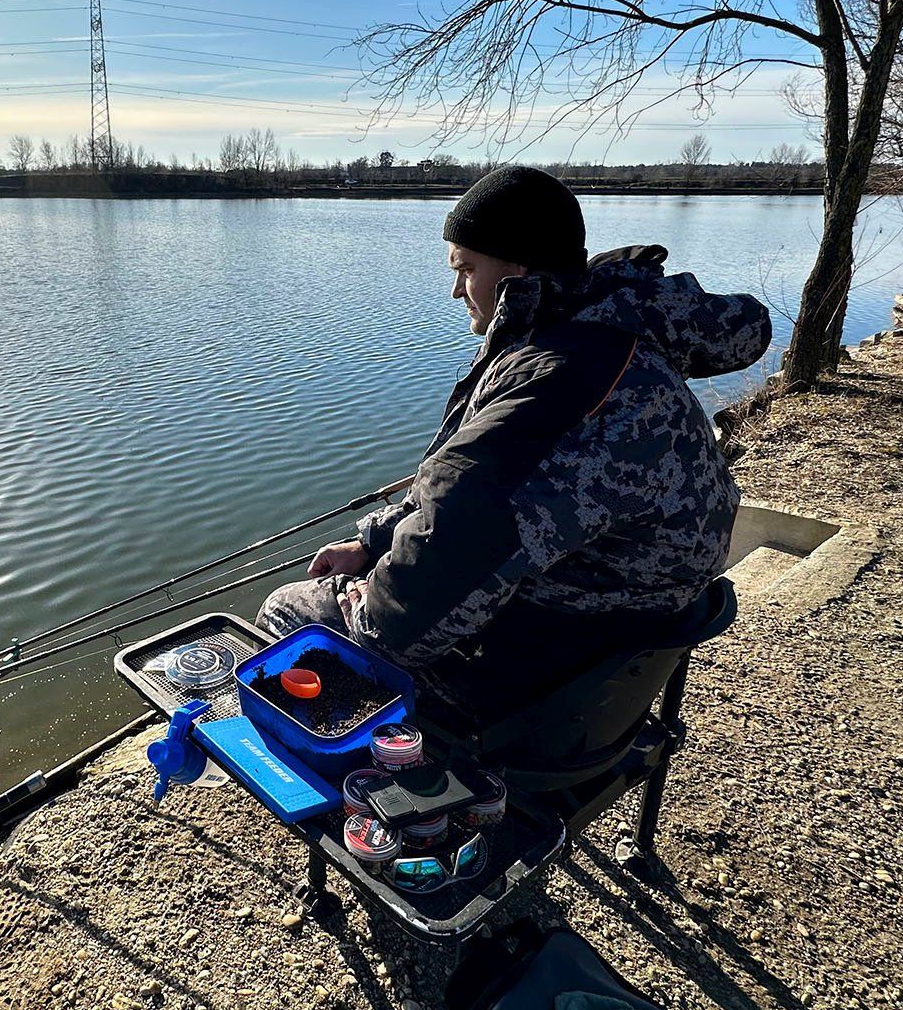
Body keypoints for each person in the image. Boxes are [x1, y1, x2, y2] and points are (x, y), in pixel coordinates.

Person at [257, 166, 771, 725]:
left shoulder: (555, 390)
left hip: (551, 680)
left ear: (517, 268)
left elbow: (407, 619)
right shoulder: (612, 333)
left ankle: (354, 784)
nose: (456, 290)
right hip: (626, 637)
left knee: (290, 615)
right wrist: (377, 541)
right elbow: (467, 489)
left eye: (466, 269)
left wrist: (357, 594)